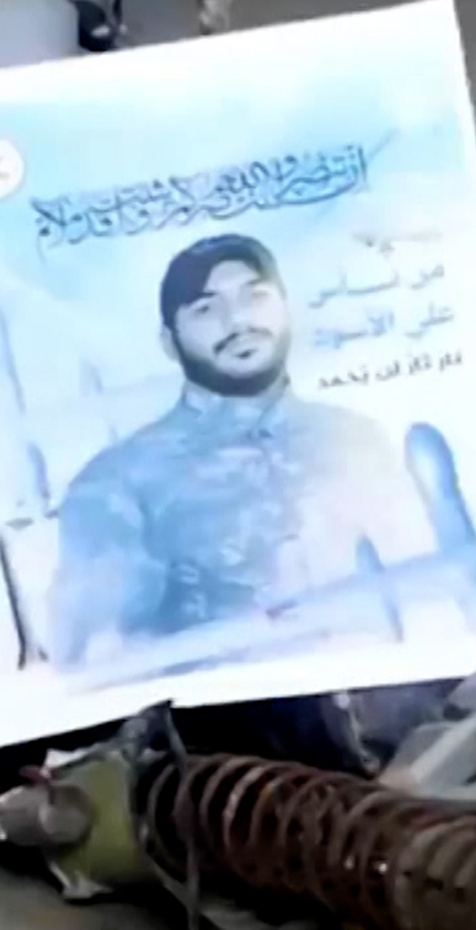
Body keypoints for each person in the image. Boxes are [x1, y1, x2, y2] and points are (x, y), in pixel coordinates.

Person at [49, 233, 433, 668]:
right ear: (169, 341)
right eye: (206, 309)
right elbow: (93, 657)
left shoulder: (355, 437)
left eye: (255, 296)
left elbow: (428, 595)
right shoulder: (117, 482)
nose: (238, 321)